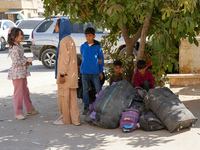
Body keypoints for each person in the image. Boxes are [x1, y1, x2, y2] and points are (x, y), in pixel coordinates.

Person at [53, 18, 81, 125]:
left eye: (56, 25)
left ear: (62, 27)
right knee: (72, 99)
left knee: (63, 98)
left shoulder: (64, 41)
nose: (55, 27)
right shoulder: (70, 39)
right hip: (71, 76)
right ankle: (76, 120)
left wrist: (61, 74)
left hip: (66, 75)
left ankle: (65, 120)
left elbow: (64, 59)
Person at [7, 27, 38, 120]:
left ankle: (30, 109)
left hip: (22, 72)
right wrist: (26, 60)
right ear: (13, 36)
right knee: (18, 93)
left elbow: (20, 59)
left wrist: (26, 61)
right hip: (17, 73)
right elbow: (16, 61)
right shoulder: (13, 47)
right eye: (19, 34)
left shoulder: (19, 46)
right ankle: (18, 112)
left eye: (21, 34)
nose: (21, 36)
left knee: (25, 90)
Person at [80, 27, 104, 115]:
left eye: (90, 36)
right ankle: (86, 107)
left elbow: (101, 59)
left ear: (94, 36)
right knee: (85, 90)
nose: (88, 38)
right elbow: (84, 57)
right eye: (86, 36)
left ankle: (101, 106)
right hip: (85, 72)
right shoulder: (83, 47)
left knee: (98, 90)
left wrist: (100, 71)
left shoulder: (98, 47)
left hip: (95, 73)